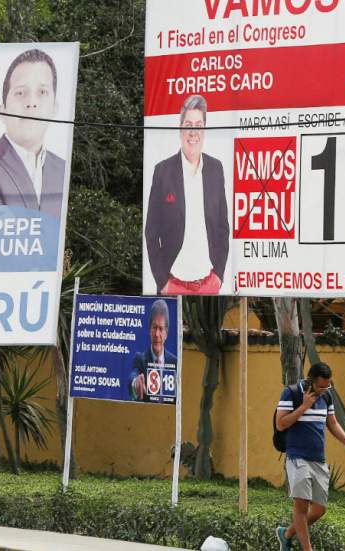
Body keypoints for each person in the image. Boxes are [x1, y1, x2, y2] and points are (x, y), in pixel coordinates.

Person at [145, 94, 229, 295]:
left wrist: (218, 276)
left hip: (209, 284)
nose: (193, 131)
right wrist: (162, 281)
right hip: (172, 284)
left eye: (199, 124)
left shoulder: (216, 169)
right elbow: (151, 232)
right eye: (188, 123)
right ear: (180, 128)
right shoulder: (162, 171)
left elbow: (222, 227)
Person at [275, 363, 345, 551]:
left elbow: (333, 423)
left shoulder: (326, 396)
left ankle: (286, 534)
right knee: (301, 505)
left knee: (320, 509)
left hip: (318, 460)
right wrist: (304, 406)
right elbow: (280, 424)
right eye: (321, 386)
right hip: (297, 457)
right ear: (311, 380)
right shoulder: (291, 393)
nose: (324, 390)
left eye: (327, 386)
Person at [0, 48, 66, 220]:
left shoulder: (63, 168)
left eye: (42, 92)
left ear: (55, 108)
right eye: (20, 93)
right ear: (2, 110)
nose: (31, 103)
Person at [129, 299, 177, 401]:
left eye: (160, 329)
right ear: (149, 329)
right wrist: (135, 383)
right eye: (154, 328)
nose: (157, 334)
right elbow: (133, 375)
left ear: (166, 334)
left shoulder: (175, 362)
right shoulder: (140, 359)